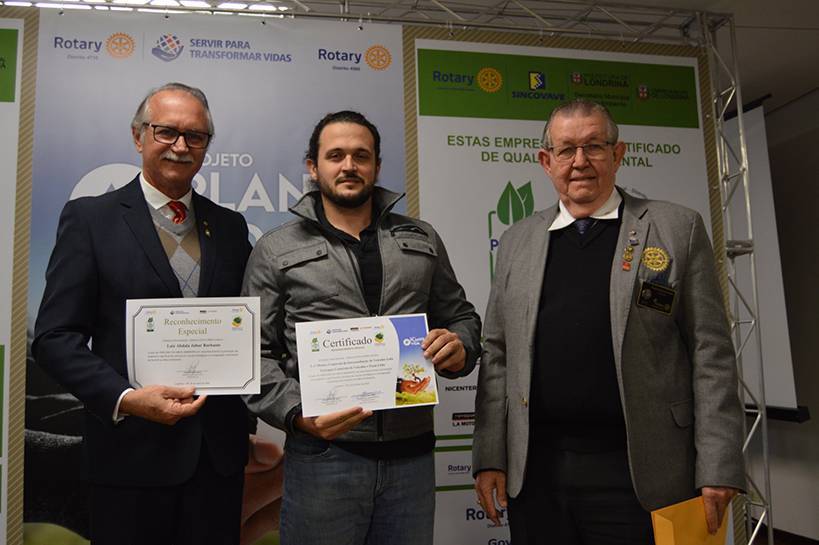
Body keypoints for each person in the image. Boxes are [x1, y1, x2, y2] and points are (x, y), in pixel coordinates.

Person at [472, 99, 744, 545]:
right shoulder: (518, 240)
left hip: (642, 473)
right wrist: (489, 455)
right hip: (537, 473)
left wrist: (718, 463)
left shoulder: (677, 228)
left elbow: (710, 352)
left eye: (594, 146)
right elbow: (497, 354)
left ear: (617, 155)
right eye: (566, 149)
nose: (580, 161)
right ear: (546, 161)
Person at [242, 110, 481, 545]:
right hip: (324, 459)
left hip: (412, 461)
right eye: (335, 155)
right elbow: (252, 355)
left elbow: (462, 317)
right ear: (313, 167)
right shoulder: (276, 249)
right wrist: (298, 413)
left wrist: (460, 345)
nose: (349, 165)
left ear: (376, 166)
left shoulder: (422, 238)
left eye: (361, 155)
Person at [33, 82, 253, 545]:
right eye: (166, 131)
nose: (181, 145)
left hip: (217, 462)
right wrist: (125, 398)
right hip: (128, 458)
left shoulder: (230, 227)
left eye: (195, 136)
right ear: (138, 137)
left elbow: (249, 328)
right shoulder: (90, 220)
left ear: (207, 145)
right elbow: (55, 338)